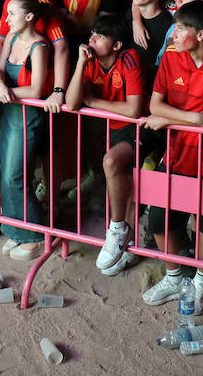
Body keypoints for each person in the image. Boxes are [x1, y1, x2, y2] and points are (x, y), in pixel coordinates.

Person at [139, 2, 203, 316]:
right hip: (176, 153)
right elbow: (155, 106)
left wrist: (172, 120)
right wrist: (193, 118)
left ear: (201, 34)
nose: (174, 33)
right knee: (158, 221)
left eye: (181, 28)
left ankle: (201, 280)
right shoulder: (171, 56)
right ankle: (174, 277)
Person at [73, 14, 147, 275]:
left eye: (100, 36)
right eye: (92, 33)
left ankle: (117, 230)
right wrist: (81, 65)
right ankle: (127, 248)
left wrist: (93, 103)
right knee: (123, 178)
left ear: (116, 45)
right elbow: (71, 104)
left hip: (140, 129)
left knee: (112, 162)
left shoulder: (129, 58)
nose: (91, 39)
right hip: (112, 130)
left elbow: (134, 108)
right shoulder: (89, 61)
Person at [0, 0, 52, 261]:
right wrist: (0, 85)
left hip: (27, 115)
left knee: (16, 174)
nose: (7, 19)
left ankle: (34, 234)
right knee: (4, 170)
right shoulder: (11, 38)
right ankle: (15, 229)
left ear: (29, 17)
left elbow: (36, 89)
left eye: (12, 14)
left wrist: (6, 93)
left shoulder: (40, 47)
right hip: (8, 110)